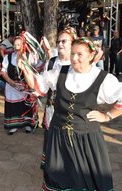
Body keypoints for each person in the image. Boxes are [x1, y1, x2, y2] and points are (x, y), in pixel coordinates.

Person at [22, 37, 122, 191]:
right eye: (73, 53)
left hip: (84, 137)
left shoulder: (103, 78)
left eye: (79, 54)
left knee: (78, 173)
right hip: (58, 132)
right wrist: (25, 68)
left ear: (92, 55)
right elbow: (39, 86)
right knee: (53, 169)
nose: (74, 58)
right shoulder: (60, 71)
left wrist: (107, 115)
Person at [39, 27, 76, 168]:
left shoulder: (75, 63)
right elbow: (44, 84)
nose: (60, 44)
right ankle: (51, 163)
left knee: (67, 137)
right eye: (58, 41)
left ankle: (67, 165)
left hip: (69, 109)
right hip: (52, 107)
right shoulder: (51, 62)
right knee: (51, 135)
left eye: (64, 41)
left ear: (72, 43)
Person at [1, 36, 39, 135]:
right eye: (14, 45)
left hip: (25, 87)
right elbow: (3, 72)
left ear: (23, 45)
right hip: (12, 86)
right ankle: (14, 125)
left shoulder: (29, 56)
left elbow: (37, 68)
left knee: (26, 106)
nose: (16, 47)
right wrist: (11, 82)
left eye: (18, 44)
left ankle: (27, 124)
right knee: (14, 107)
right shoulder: (8, 57)